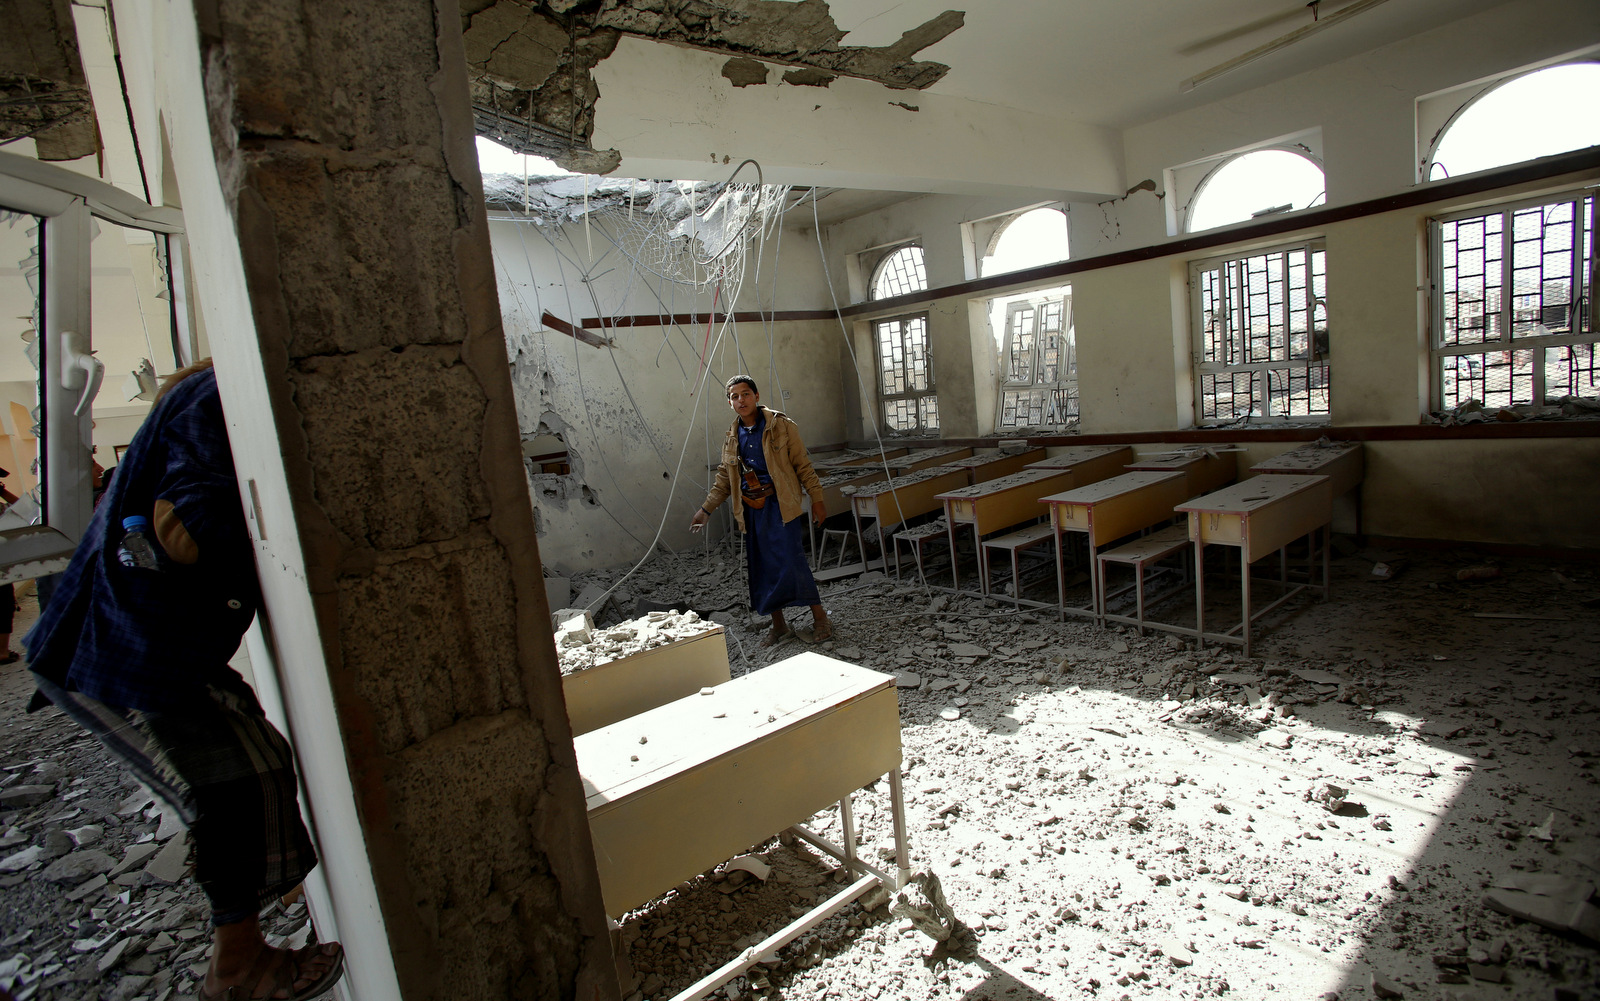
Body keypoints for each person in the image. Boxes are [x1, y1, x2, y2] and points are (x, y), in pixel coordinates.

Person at [23, 360, 345, 1001]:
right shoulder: (221, 400)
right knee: (230, 786)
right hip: (122, 648)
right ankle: (235, 970)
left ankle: (242, 952)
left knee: (258, 764)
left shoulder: (212, 397)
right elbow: (194, 526)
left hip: (149, 641)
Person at [690, 375, 833, 646]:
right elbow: (724, 479)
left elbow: (803, 465)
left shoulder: (781, 426)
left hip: (782, 507)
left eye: (745, 394)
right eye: (734, 396)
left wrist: (817, 498)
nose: (740, 400)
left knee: (792, 562)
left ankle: (820, 618)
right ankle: (778, 624)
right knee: (762, 568)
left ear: (756, 396)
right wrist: (705, 510)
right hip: (752, 512)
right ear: (730, 403)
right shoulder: (732, 437)